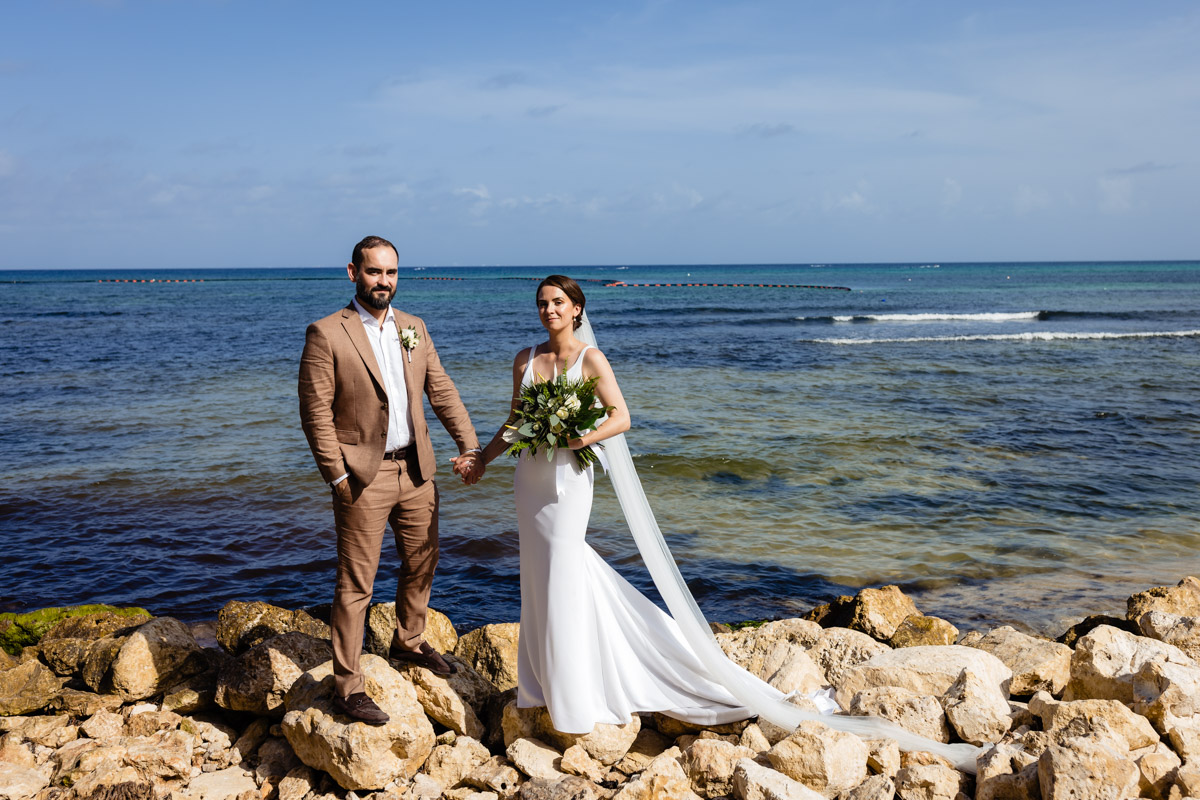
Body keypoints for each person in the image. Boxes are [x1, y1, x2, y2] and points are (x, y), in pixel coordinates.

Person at [476, 275, 750, 732]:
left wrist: (581, 435)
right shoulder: (525, 359)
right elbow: (514, 421)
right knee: (537, 574)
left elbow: (622, 416)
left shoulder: (590, 358)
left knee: (565, 567)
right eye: (543, 303)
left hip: (570, 481)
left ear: (577, 309)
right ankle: (541, 686)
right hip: (531, 479)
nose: (550, 310)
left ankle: (577, 696)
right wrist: (481, 460)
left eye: (559, 302)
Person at [298, 235, 484, 725]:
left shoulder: (413, 327)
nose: (385, 281)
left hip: (418, 469)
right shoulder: (326, 333)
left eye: (392, 273)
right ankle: (347, 686)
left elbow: (440, 389)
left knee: (423, 560)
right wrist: (336, 475)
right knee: (356, 583)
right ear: (353, 272)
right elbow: (315, 412)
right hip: (363, 475)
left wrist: (470, 446)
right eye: (375, 271)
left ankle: (409, 640)